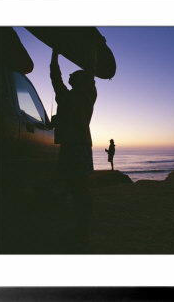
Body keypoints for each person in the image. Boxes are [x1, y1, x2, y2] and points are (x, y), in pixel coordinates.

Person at [50, 49, 97, 252]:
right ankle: (81, 230)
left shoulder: (85, 95)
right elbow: (56, 77)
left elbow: (90, 71)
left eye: (73, 75)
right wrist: (55, 55)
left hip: (75, 146)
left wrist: (55, 54)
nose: (69, 75)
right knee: (77, 188)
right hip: (75, 145)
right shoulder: (82, 96)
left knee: (80, 189)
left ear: (79, 80)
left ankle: (82, 233)